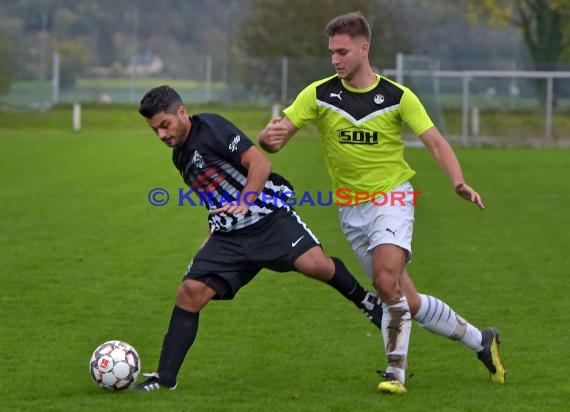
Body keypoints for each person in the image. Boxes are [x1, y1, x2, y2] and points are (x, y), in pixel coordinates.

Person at [258, 11, 505, 394]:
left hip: (392, 196)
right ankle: (481, 340)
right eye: (331, 53)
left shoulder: (397, 96)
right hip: (350, 209)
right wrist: (268, 139)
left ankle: (395, 373)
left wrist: (457, 180)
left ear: (363, 47)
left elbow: (436, 142)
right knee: (406, 300)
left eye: (342, 51)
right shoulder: (319, 94)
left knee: (384, 280)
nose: (335, 59)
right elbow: (279, 134)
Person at [134, 85, 385, 391]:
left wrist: (247, 198)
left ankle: (369, 303)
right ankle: (164, 379)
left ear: (181, 113)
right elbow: (215, 198)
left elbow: (261, 163)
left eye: (165, 125)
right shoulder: (180, 156)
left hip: (268, 219)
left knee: (316, 265)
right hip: (229, 235)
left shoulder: (212, 127)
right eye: (154, 130)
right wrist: (212, 236)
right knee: (189, 292)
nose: (161, 135)